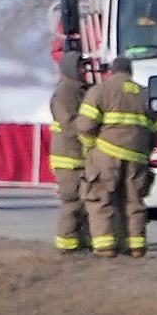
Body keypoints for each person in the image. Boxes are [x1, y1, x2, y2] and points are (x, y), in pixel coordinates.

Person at [76, 53, 157, 258]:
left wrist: (90, 147)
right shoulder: (145, 93)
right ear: (130, 72)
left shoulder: (100, 90)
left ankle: (105, 246)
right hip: (137, 155)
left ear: (111, 71)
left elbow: (85, 125)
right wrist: (145, 149)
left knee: (101, 197)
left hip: (106, 153)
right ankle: (137, 246)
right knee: (134, 200)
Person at [47, 51, 92, 256]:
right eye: (81, 67)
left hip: (80, 157)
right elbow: (69, 125)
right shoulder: (64, 94)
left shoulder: (81, 91)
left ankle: (82, 242)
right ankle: (67, 246)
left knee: (85, 204)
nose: (84, 71)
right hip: (68, 159)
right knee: (72, 203)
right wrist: (91, 132)